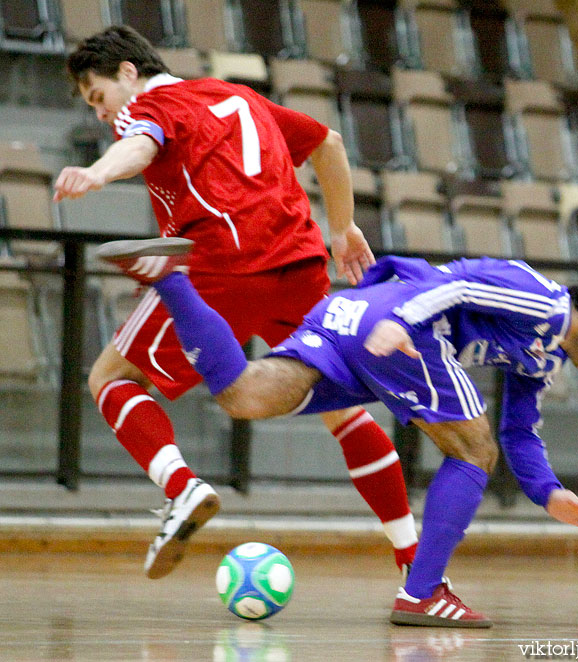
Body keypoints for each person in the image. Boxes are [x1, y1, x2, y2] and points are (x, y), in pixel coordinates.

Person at [95, 236, 578, 627]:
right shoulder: (540, 300)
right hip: (403, 329)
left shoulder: (547, 356)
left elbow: (521, 428)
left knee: (243, 394)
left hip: (355, 318)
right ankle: (422, 593)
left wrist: (547, 492)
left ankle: (169, 279)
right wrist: (403, 322)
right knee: (473, 452)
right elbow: (456, 284)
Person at [53, 25, 418, 580]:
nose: (103, 115)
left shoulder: (151, 103)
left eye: (99, 98)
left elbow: (141, 142)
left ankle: (182, 488)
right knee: (344, 411)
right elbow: (329, 143)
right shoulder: (238, 95)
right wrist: (342, 230)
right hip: (299, 265)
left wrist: (97, 172)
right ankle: (416, 567)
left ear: (128, 72)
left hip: (220, 267)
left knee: (110, 378)